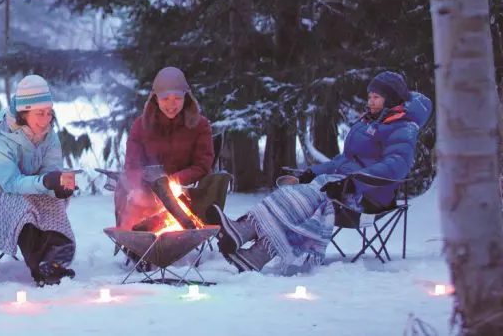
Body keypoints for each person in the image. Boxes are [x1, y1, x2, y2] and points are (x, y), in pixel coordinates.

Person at [212, 70, 426, 274]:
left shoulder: (403, 128)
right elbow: (345, 160)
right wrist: (312, 173)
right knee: (293, 193)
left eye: (376, 97)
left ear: (391, 99)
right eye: (369, 96)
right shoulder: (369, 122)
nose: (370, 101)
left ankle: (251, 243)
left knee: (304, 199)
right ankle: (249, 243)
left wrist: (353, 183)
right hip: (342, 184)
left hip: (370, 196)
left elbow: (397, 166)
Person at [0, 74, 77, 286]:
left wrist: (58, 187)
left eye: (49, 113)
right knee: (20, 204)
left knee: (51, 201)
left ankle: (57, 256)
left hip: (24, 184)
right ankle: (40, 266)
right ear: (23, 113)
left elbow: (49, 173)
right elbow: (11, 183)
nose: (46, 120)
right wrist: (45, 182)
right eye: (39, 114)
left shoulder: (49, 137)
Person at [116, 67, 231, 229]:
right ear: (155, 98)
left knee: (216, 181)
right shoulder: (140, 126)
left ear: (186, 97)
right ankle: (134, 238)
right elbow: (132, 166)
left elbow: (202, 165)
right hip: (149, 193)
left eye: (177, 98)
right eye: (165, 98)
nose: (171, 104)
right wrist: (138, 188)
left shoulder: (200, 125)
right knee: (124, 186)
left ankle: (186, 228)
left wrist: (173, 181)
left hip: (187, 193)